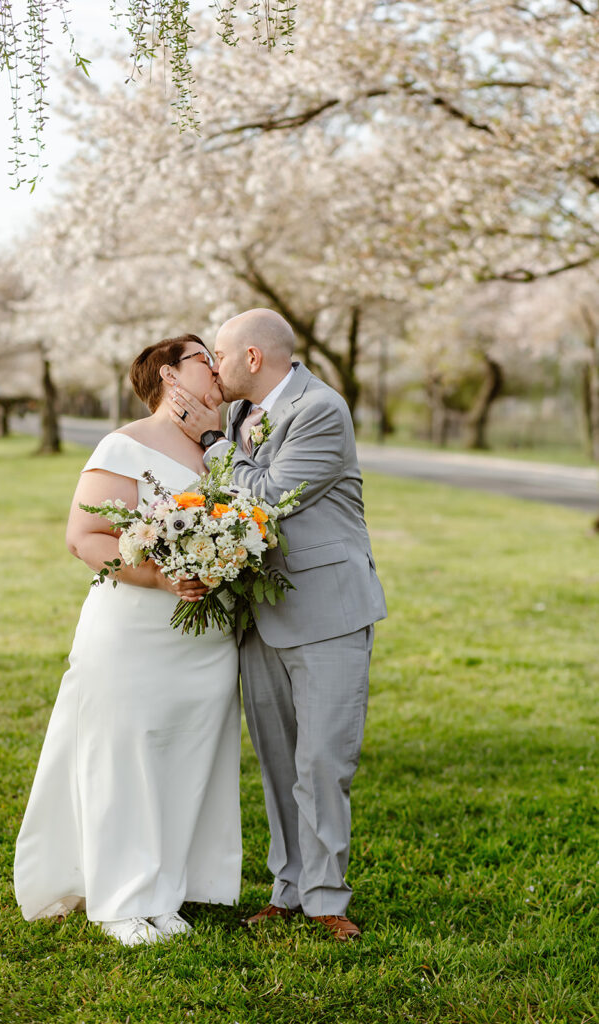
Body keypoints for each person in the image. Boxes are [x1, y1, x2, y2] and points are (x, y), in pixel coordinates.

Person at [14, 335, 241, 947]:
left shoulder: (226, 451)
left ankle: (163, 892)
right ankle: (118, 901)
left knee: (189, 758)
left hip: (207, 636)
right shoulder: (125, 444)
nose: (218, 369)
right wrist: (163, 574)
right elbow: (86, 536)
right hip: (134, 631)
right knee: (125, 758)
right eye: (204, 359)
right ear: (169, 375)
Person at [169, 308, 387, 942]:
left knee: (322, 761)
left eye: (221, 356)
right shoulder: (241, 414)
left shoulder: (322, 410)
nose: (215, 367)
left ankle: (326, 897)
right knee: (277, 760)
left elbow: (266, 498)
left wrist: (212, 446)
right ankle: (288, 888)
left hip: (327, 611)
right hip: (259, 614)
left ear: (254, 359)